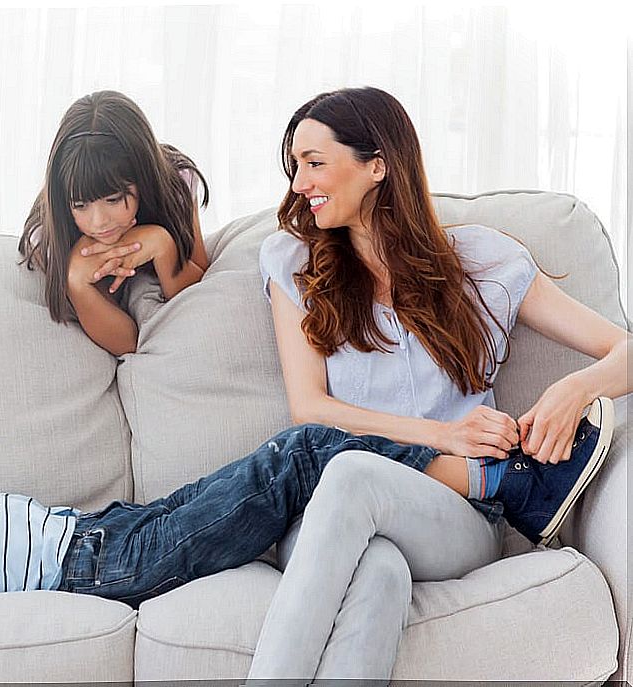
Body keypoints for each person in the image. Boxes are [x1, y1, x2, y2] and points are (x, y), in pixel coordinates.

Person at [247, 87, 631, 682]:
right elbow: (311, 409)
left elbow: (626, 350)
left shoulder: (482, 261)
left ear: (378, 165)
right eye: (295, 166)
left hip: (454, 516)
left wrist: (575, 389)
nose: (299, 182)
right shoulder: (294, 266)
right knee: (379, 570)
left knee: (354, 476)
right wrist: (443, 434)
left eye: (315, 163)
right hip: (327, 513)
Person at [0, 407, 611, 602]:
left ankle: (493, 491)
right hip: (102, 569)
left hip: (103, 529)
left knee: (297, 473)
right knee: (297, 456)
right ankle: (508, 485)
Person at [19, 90, 210, 356]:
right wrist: (76, 281)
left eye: (112, 199)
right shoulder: (46, 234)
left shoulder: (176, 182)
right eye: (80, 205)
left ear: (143, 178)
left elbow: (202, 291)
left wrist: (162, 245)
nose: (98, 222)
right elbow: (128, 344)